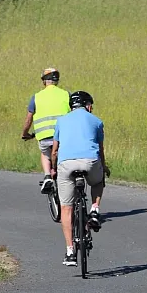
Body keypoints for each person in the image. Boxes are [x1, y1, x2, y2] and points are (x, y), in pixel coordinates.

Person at [51, 91, 110, 266]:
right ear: (88, 105)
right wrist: (104, 167)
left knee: (66, 209)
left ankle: (70, 251)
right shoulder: (97, 121)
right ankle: (94, 209)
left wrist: (54, 169)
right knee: (98, 181)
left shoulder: (61, 121)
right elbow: (100, 150)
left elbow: (54, 151)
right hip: (90, 162)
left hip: (66, 165)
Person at [21, 68, 70, 194]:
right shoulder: (66, 94)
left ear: (44, 81)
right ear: (57, 81)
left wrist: (25, 134)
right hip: (64, 136)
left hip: (44, 137)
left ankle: (48, 175)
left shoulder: (36, 97)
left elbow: (28, 120)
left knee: (45, 153)